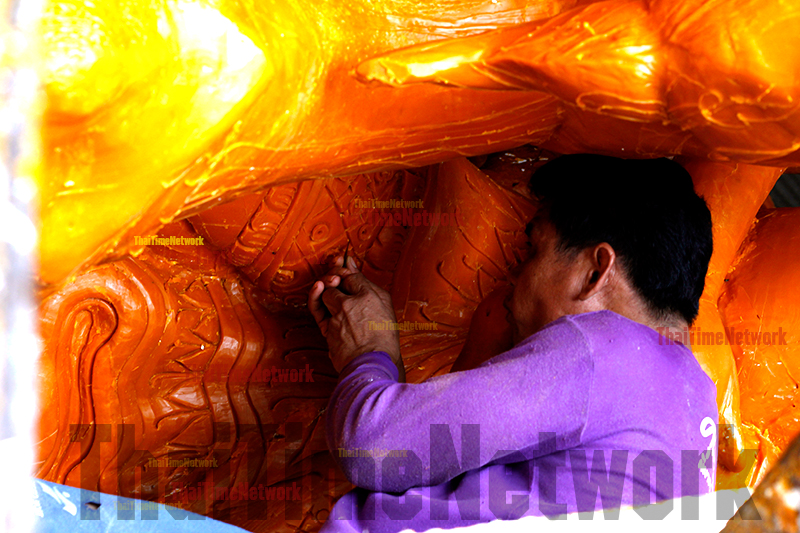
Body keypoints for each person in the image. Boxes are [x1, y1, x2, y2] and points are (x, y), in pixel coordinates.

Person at [307, 154, 719, 533]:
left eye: (530, 251)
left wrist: (368, 351)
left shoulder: (603, 352)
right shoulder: (696, 404)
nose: (510, 281)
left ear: (594, 273)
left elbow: (374, 446)